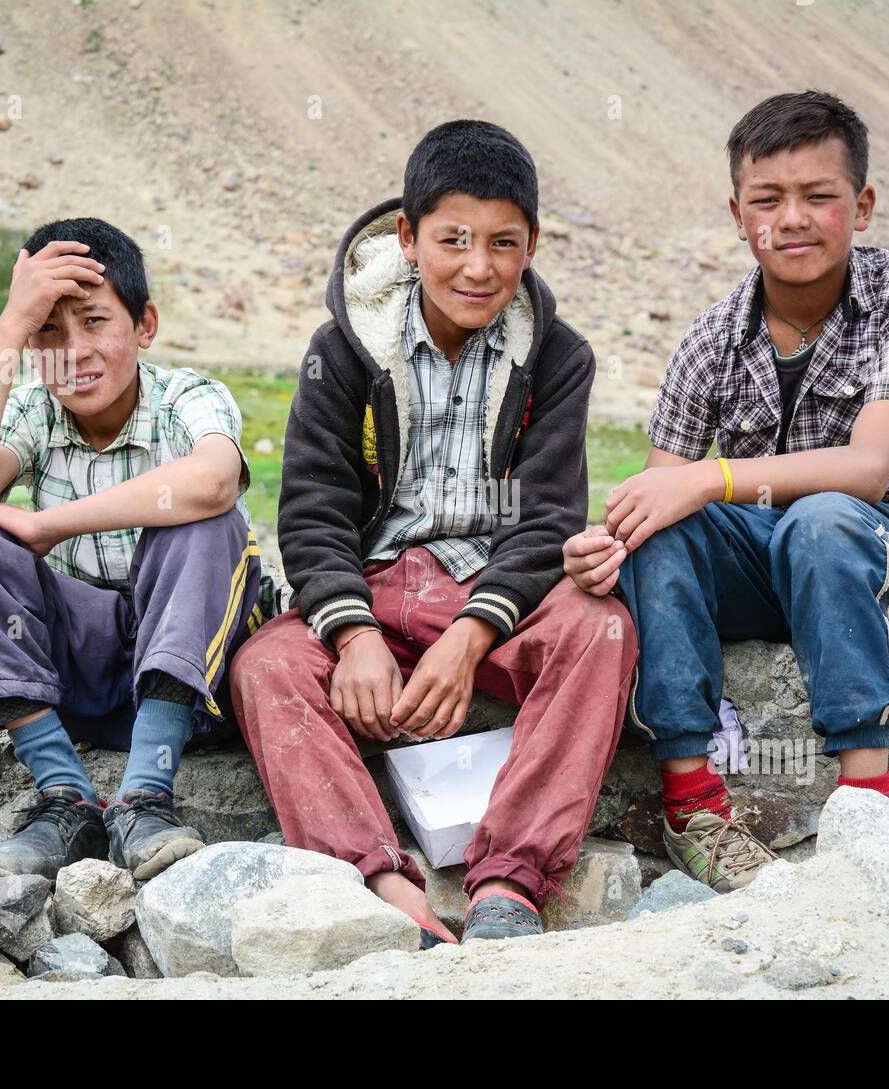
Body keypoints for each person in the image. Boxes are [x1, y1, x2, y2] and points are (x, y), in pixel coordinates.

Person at [229, 120, 637, 947]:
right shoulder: (343, 352)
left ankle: (509, 882)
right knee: (266, 664)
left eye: (503, 243)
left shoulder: (557, 358)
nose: (478, 267)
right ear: (409, 238)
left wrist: (469, 635)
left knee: (602, 628)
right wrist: (350, 634)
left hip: (495, 591)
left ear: (532, 247)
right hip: (375, 588)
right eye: (453, 239)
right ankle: (378, 878)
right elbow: (312, 510)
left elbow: (548, 516)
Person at [563, 91, 889, 892]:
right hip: (769, 564)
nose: (794, 218)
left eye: (820, 195)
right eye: (768, 199)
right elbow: (657, 494)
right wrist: (609, 545)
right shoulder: (713, 336)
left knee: (820, 520)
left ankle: (866, 795)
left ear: (863, 205)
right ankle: (694, 800)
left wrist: (713, 478)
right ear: (738, 213)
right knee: (665, 529)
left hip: (882, 544)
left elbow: (872, 466)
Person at [0, 217, 261, 882]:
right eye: (49, 330)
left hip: (190, 682)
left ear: (145, 325)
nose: (72, 350)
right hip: (83, 682)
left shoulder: (184, 396)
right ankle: (65, 796)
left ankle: (145, 797)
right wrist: (10, 325)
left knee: (203, 518)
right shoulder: (34, 412)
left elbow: (214, 477)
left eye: (96, 322)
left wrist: (54, 524)